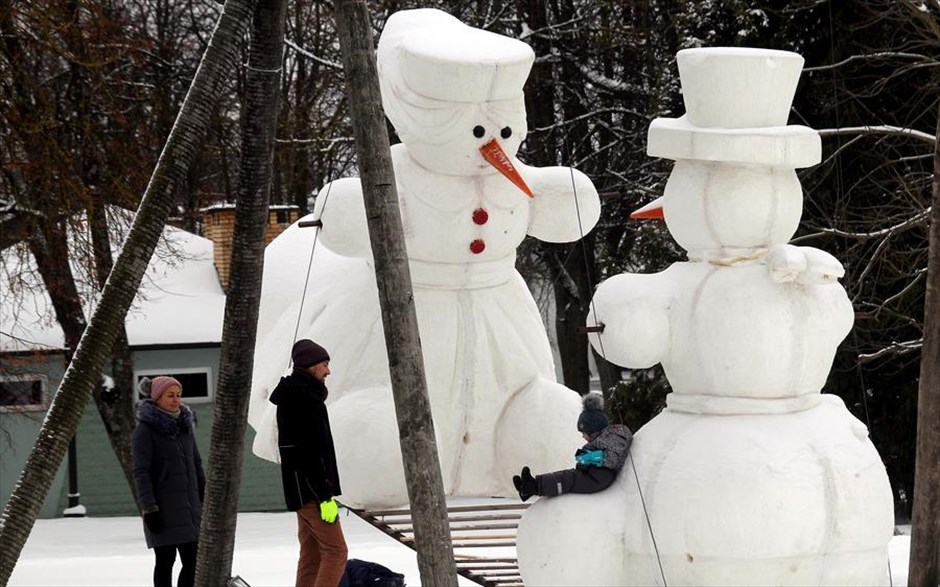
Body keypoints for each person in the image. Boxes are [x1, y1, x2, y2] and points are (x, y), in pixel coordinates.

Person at [271, 339, 348, 587]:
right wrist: (324, 497)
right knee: (337, 553)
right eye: (324, 364)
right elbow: (308, 455)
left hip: (302, 491)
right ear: (309, 365)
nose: (328, 371)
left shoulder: (298, 396)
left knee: (312, 555)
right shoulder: (303, 399)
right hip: (311, 493)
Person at [132, 376, 205, 587]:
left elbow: (196, 463)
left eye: (178, 395)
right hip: (162, 510)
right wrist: (149, 508)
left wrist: (204, 493)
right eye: (170, 395)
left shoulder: (185, 427)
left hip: (190, 509)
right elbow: (141, 472)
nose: (176, 400)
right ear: (157, 398)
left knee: (194, 561)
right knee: (165, 560)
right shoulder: (144, 431)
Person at [513, 392, 632, 501]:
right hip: (597, 474)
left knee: (569, 480)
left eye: (584, 433)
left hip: (602, 477)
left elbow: (612, 459)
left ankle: (533, 488)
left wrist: (589, 458)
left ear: (593, 431)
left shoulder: (614, 436)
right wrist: (584, 460)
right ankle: (531, 486)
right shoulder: (602, 439)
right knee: (567, 475)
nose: (583, 437)